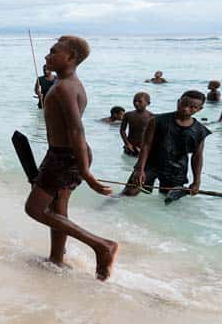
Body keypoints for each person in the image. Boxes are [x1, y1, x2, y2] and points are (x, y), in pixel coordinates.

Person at [24, 36, 117, 280]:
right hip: (64, 154)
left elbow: (77, 129)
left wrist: (86, 171)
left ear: (71, 57)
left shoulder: (65, 87)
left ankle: (101, 246)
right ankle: (56, 259)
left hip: (66, 157)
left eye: (53, 52)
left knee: (34, 209)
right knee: (58, 207)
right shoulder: (67, 83)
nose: (47, 56)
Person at [124, 91, 210, 201]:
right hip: (151, 163)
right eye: (184, 104)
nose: (186, 109)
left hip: (177, 169)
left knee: (169, 200)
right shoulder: (157, 120)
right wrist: (140, 170)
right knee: (129, 193)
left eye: (192, 107)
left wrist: (197, 181)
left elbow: (197, 156)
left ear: (200, 109)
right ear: (178, 102)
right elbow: (146, 145)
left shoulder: (200, 130)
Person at [120, 92, 152, 156]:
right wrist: (127, 143)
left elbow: (153, 133)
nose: (136, 103)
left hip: (143, 148)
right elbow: (122, 130)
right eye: (134, 101)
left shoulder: (151, 116)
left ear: (148, 103)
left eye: (140, 102)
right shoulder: (128, 115)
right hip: (130, 147)